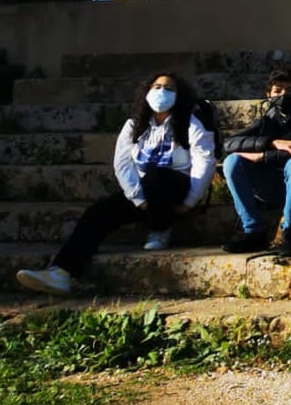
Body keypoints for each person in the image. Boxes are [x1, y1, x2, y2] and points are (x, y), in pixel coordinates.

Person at [16, 73, 216, 296]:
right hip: (145, 196)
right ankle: (61, 272)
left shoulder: (190, 123)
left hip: (176, 191)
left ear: (180, 96)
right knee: (98, 212)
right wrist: (138, 200)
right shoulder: (134, 125)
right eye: (156, 86)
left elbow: (205, 160)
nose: (161, 92)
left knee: (157, 175)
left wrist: (190, 202)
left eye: (169, 88)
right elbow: (122, 164)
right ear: (147, 91)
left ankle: (161, 228)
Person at [220, 69, 291, 256]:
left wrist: (262, 156)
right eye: (278, 90)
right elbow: (230, 144)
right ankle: (253, 231)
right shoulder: (267, 117)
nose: (284, 95)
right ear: (269, 95)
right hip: (273, 187)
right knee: (232, 162)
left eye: (290, 90)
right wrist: (273, 142)